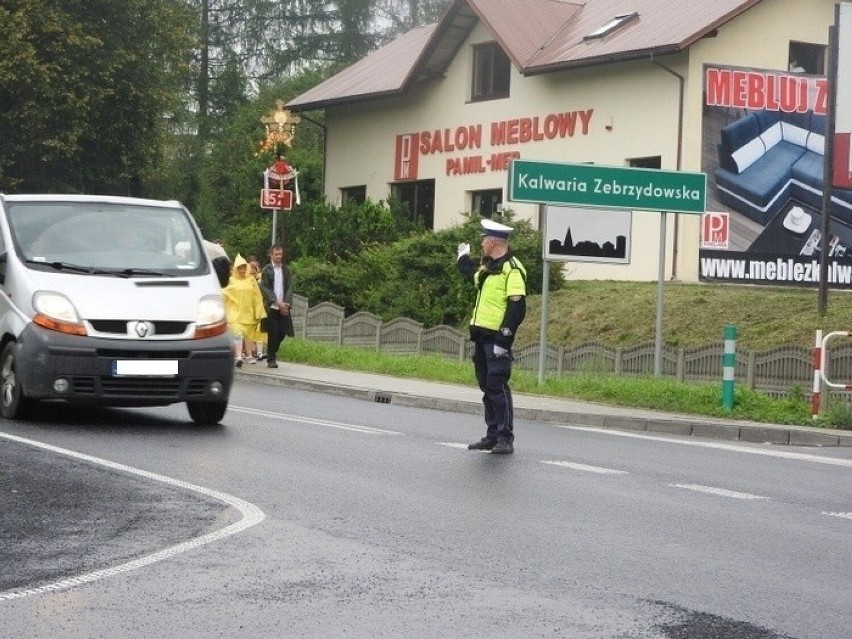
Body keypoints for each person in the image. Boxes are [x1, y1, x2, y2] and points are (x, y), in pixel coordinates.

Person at [456, 219, 527, 454]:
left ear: (494, 241)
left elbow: (517, 307)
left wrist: (504, 340)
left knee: (497, 385)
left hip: (497, 338)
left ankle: (505, 437)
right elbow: (472, 276)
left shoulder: (512, 268)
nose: (481, 243)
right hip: (481, 336)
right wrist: (462, 259)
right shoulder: (489, 268)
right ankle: (492, 435)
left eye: (484, 239)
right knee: (487, 386)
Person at [222, 253, 267, 366]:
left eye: (243, 268)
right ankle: (238, 357)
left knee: (249, 336)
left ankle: (249, 355)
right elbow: (223, 295)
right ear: (236, 269)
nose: (242, 270)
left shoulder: (251, 280)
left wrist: (259, 311)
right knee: (237, 335)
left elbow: (257, 297)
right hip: (235, 314)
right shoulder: (230, 281)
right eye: (239, 268)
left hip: (249, 314)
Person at [259, 244, 295, 368]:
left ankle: (272, 352)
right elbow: (265, 288)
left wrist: (286, 304)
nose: (279, 256)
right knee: (273, 333)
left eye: (280, 254)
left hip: (284, 307)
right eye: (276, 254)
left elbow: (290, 287)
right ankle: (271, 359)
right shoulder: (266, 270)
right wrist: (276, 302)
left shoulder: (286, 270)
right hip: (272, 307)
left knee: (283, 332)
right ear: (271, 255)